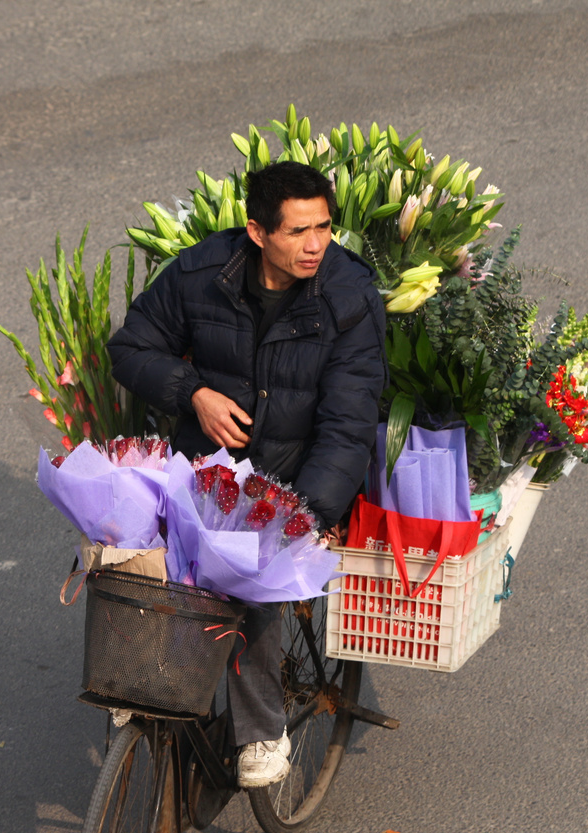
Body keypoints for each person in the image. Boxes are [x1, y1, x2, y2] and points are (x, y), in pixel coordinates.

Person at [108, 161, 387, 788]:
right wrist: (194, 393)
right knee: (126, 556)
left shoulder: (347, 296)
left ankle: (262, 730)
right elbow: (130, 348)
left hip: (294, 474)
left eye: (324, 227)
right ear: (257, 232)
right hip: (205, 470)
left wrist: (303, 516)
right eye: (297, 232)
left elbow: (348, 423)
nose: (315, 245)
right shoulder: (201, 275)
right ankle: (144, 679)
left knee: (246, 574)